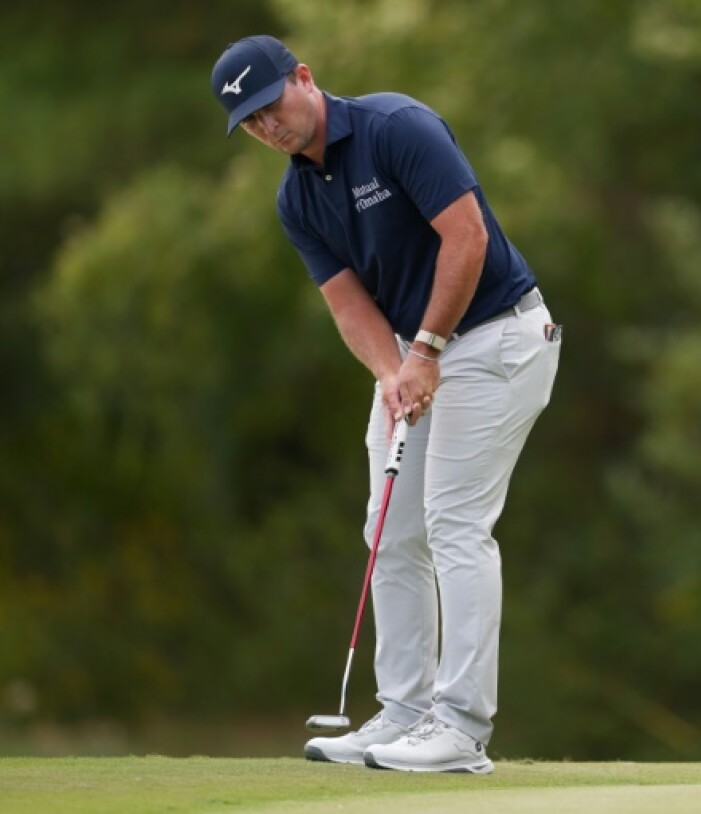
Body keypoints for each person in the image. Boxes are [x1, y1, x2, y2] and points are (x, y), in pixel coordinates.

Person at [210, 35, 561, 774]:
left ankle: (461, 729)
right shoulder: (295, 198)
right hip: (419, 352)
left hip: (498, 336)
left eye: (272, 105)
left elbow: (464, 238)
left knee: (455, 522)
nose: (268, 127)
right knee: (389, 528)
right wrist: (393, 371)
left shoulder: (397, 127)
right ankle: (404, 712)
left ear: (304, 78)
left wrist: (425, 351)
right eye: (251, 122)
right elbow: (348, 306)